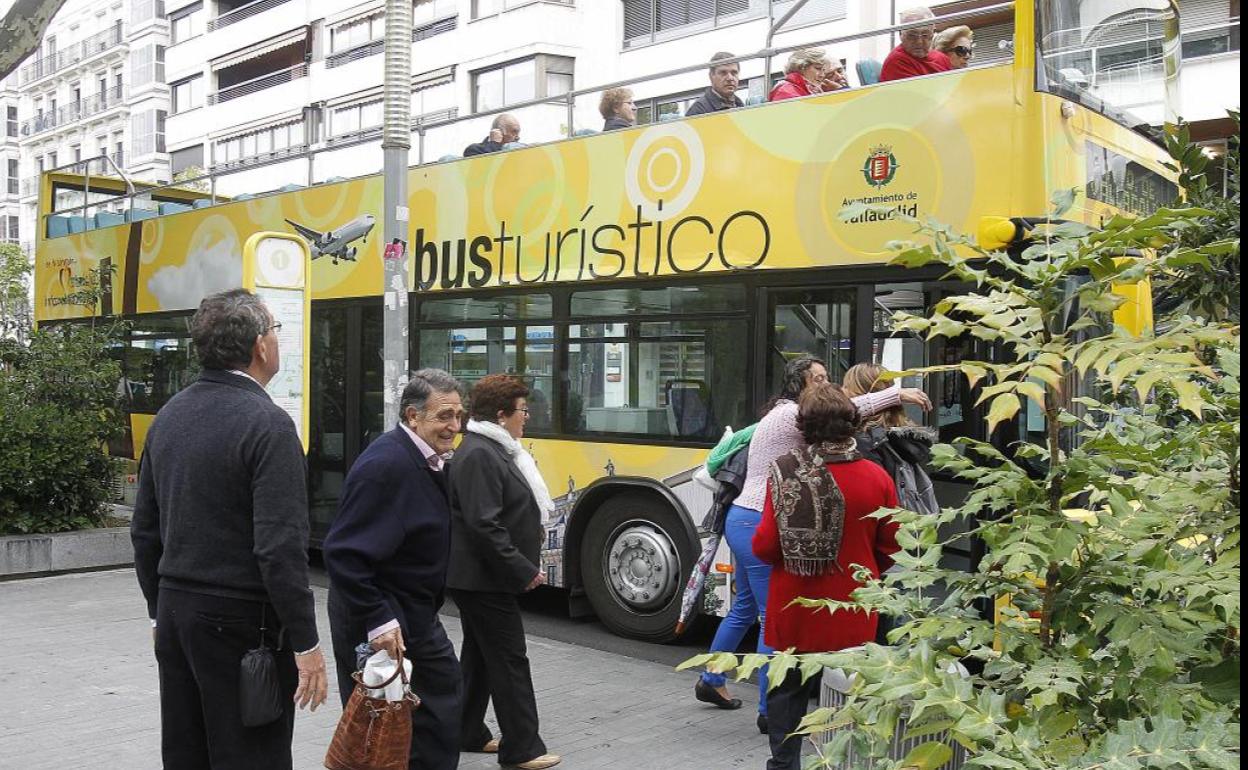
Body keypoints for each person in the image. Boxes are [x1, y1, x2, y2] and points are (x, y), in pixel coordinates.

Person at [131, 289, 327, 770]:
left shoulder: (169, 416)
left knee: (187, 752)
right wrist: (307, 643)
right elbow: (279, 550)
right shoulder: (268, 425)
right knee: (251, 755)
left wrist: (160, 613)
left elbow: (144, 532)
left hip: (177, 613)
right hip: (242, 625)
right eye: (277, 331)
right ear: (261, 345)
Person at [694, 357, 930, 734]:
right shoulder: (789, 414)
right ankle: (770, 713)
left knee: (743, 608)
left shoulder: (784, 415)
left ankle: (711, 679)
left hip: (744, 516)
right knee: (774, 620)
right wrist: (895, 393)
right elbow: (849, 410)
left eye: (826, 377)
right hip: (758, 517)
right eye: (817, 378)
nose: (826, 383)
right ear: (798, 386)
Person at [323, 370, 467, 770]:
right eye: (444, 416)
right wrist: (378, 620)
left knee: (418, 712)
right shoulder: (387, 464)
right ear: (413, 415)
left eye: (458, 416)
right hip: (386, 614)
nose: (453, 426)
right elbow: (343, 553)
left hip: (409, 610)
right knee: (391, 718)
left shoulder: (426, 459)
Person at [753, 384, 901, 770]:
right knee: (852, 691)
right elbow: (893, 543)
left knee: (788, 691)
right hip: (854, 604)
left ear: (805, 426)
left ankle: (785, 764)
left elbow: (765, 546)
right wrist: (864, 570)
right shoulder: (877, 476)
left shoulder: (786, 472)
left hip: (795, 603)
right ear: (853, 423)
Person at [447, 375, 562, 770]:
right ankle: (522, 749)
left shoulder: (491, 449)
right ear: (501, 415)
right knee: (510, 659)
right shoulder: (480, 454)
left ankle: (465, 729)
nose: (526, 418)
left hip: (482, 577)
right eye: (522, 411)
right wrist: (521, 568)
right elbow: (484, 524)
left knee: (480, 654)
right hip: (484, 579)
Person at [843, 363, 940, 518]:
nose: (842, 392)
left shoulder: (862, 442)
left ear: (859, 394)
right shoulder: (902, 437)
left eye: (846, 386)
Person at [880, 7, 952, 82]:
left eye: (925, 35)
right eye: (912, 35)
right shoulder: (896, 62)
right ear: (901, 34)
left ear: (932, 34)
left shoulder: (942, 59)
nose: (919, 42)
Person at [685, 52, 744, 116]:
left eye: (734, 73)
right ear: (711, 76)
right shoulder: (698, 111)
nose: (730, 78)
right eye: (723, 73)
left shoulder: (740, 105)